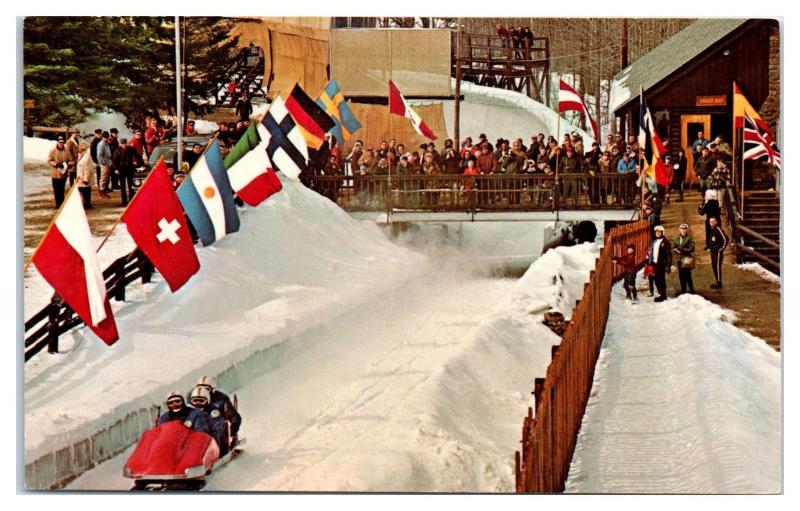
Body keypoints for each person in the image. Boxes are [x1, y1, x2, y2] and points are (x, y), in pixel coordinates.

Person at [194, 376, 241, 446]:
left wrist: (233, 427)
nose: (203, 391)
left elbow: (233, 415)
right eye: (200, 388)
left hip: (219, 428)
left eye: (206, 389)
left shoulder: (221, 399)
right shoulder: (197, 399)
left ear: (212, 390)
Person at [190, 387, 230, 456]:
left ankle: (220, 453)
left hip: (210, 437)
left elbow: (219, 424)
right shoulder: (190, 412)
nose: (198, 403)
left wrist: (209, 430)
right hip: (195, 437)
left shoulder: (213, 411)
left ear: (207, 400)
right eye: (195, 401)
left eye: (201, 401)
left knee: (216, 434)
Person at [112, 138, 143, 206]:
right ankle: (124, 201)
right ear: (121, 144)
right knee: (123, 186)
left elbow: (137, 156)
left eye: (125, 144)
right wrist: (116, 169)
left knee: (130, 185)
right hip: (121, 169)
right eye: (123, 144)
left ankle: (131, 199)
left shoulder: (131, 149)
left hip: (129, 168)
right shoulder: (117, 150)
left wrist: (140, 163)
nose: (124, 145)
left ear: (126, 143)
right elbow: (114, 161)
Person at [650, 225, 672, 302]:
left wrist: (668, 266)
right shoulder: (655, 241)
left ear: (662, 232)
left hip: (662, 264)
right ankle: (660, 293)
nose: (657, 233)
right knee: (656, 280)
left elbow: (669, 255)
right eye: (656, 232)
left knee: (661, 279)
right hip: (655, 264)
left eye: (659, 232)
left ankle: (663, 295)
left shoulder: (666, 242)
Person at [47, 136, 71, 208]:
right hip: (55, 173)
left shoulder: (67, 151)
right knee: (56, 189)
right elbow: (49, 160)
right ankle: (58, 203)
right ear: (57, 142)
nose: (61, 144)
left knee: (62, 188)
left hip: (64, 173)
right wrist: (56, 164)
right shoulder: (52, 151)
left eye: (63, 142)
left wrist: (70, 164)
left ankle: (62, 203)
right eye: (60, 142)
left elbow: (71, 160)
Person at [673, 223, 696, 295]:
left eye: (684, 228)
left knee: (687, 275)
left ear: (687, 230)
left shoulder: (689, 238)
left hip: (686, 259)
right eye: (682, 228)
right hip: (679, 259)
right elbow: (674, 247)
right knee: (681, 275)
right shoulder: (677, 239)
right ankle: (683, 290)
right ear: (679, 230)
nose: (683, 230)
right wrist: (676, 250)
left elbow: (692, 249)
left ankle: (691, 290)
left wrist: (682, 249)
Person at [706, 216, 728, 289]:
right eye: (710, 222)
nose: (711, 223)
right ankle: (717, 281)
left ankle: (719, 282)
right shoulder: (711, 229)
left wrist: (721, 248)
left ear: (716, 222)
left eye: (713, 221)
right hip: (712, 251)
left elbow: (725, 239)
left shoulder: (718, 229)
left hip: (718, 251)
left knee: (717, 266)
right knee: (713, 266)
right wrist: (709, 247)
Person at [96, 131, 113, 198]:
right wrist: (103, 163)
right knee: (103, 178)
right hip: (104, 163)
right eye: (105, 137)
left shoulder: (106, 144)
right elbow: (99, 155)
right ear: (103, 137)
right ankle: (102, 191)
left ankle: (104, 190)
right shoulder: (101, 144)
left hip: (107, 162)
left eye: (107, 137)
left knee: (106, 178)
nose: (106, 138)